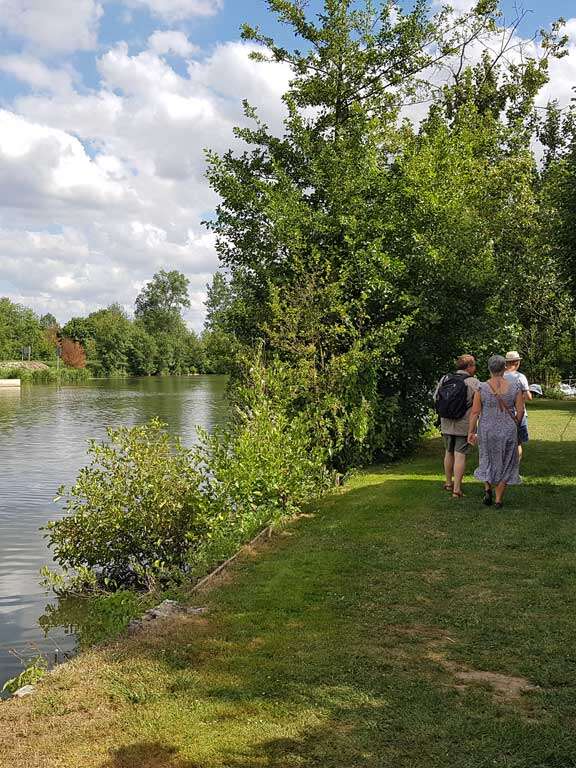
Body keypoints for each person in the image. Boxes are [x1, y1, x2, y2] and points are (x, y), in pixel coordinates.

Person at [468, 355, 525, 509]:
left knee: (486, 458)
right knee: (507, 461)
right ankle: (499, 499)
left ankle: (488, 490)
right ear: (504, 367)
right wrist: (515, 424)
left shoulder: (481, 387)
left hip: (487, 429)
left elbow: (475, 412)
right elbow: (520, 410)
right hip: (508, 430)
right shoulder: (515, 387)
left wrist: (471, 432)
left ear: (489, 369)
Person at [434, 354, 479, 499]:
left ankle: (448, 483)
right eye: (474, 365)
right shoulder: (474, 382)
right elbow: (479, 405)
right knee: (460, 455)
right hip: (463, 424)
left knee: (448, 452)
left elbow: (436, 397)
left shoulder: (445, 379)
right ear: (469, 366)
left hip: (446, 422)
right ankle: (457, 489)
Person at [504, 350, 532, 459]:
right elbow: (528, 397)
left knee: (504, 444)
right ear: (516, 362)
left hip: (502, 414)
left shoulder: (498, 376)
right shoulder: (520, 377)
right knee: (517, 443)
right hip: (517, 414)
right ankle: (514, 470)